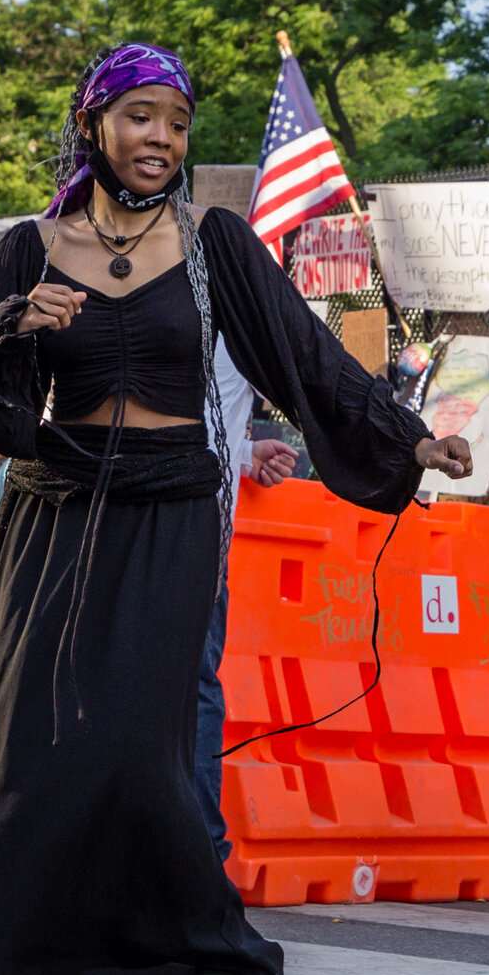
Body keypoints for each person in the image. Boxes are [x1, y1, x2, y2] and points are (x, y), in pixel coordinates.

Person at [0, 42, 471, 975]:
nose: (159, 136)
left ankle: (224, 960)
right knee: (41, 748)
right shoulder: (27, 246)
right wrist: (11, 324)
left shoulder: (214, 239)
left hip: (170, 506)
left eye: (175, 119)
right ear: (94, 125)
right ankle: (53, 970)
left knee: (134, 744)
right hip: (56, 505)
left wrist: (411, 439)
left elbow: (306, 353)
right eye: (138, 116)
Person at [194, 343, 298, 860]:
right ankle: (198, 848)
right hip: (192, 515)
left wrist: (242, 453)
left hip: (171, 507)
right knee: (192, 683)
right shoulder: (229, 298)